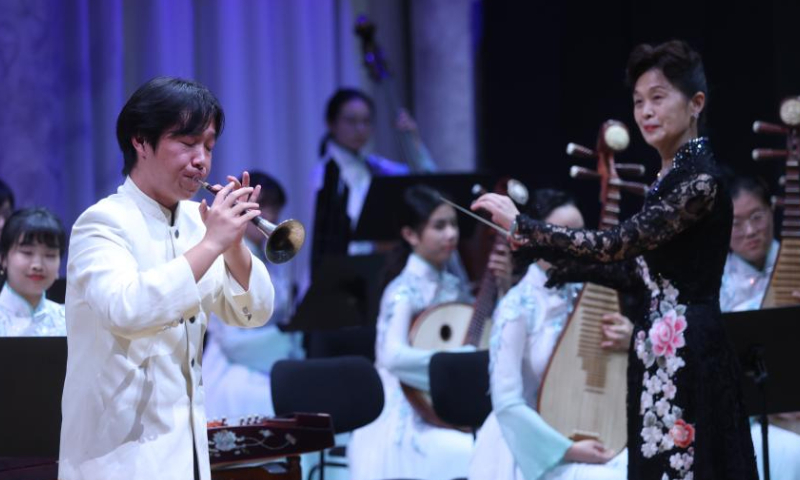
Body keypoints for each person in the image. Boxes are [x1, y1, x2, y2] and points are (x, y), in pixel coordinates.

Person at [472, 40, 758, 479]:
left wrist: (527, 227)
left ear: (696, 103)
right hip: (658, 350)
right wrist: (553, 260)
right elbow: (634, 270)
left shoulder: (698, 182)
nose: (645, 111)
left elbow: (619, 243)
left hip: (690, 352)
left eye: (659, 97)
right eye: (639, 101)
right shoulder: (667, 180)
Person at [58, 76, 275, 480]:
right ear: (141, 141)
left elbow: (254, 313)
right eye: (188, 143)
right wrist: (213, 243)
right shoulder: (102, 223)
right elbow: (129, 310)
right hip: (117, 456)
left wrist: (233, 244)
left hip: (186, 451)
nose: (202, 160)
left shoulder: (199, 222)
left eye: (209, 146)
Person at [470, 189, 628, 480]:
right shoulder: (517, 307)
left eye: (581, 233)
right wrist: (569, 450)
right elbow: (507, 403)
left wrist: (630, 340)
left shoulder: (593, 293)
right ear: (536, 237)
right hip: (530, 446)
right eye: (564, 233)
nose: (575, 242)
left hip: (590, 427)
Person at [347, 185, 476, 480]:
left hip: (438, 401)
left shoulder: (453, 285)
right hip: (404, 412)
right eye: (439, 226)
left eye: (454, 224)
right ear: (410, 235)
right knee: (470, 450)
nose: (451, 235)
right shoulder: (403, 290)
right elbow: (391, 357)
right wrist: (452, 363)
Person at [203, 170, 303, 419]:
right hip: (234, 364)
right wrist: (282, 339)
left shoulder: (269, 258)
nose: (271, 218)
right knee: (263, 401)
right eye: (263, 209)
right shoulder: (225, 257)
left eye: (275, 211)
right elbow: (231, 339)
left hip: (266, 357)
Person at [312, 88, 436, 235]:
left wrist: (413, 140)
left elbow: (424, 178)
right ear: (331, 123)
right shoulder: (324, 173)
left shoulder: (374, 164)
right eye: (351, 121)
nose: (360, 129)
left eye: (366, 121)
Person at [0, 207, 66, 336]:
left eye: (50, 255)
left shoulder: (69, 320)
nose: (37, 265)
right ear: (3, 259)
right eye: (27, 253)